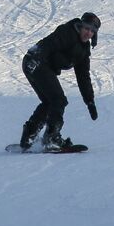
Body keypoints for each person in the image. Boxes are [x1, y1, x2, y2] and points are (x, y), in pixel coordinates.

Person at [19, 13, 101, 152]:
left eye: (93, 31)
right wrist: (35, 58)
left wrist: (89, 101)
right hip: (35, 62)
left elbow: (83, 77)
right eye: (87, 28)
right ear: (81, 26)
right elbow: (48, 44)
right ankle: (51, 138)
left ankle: (28, 136)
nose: (89, 33)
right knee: (58, 100)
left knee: (50, 102)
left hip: (37, 64)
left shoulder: (84, 50)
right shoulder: (67, 32)